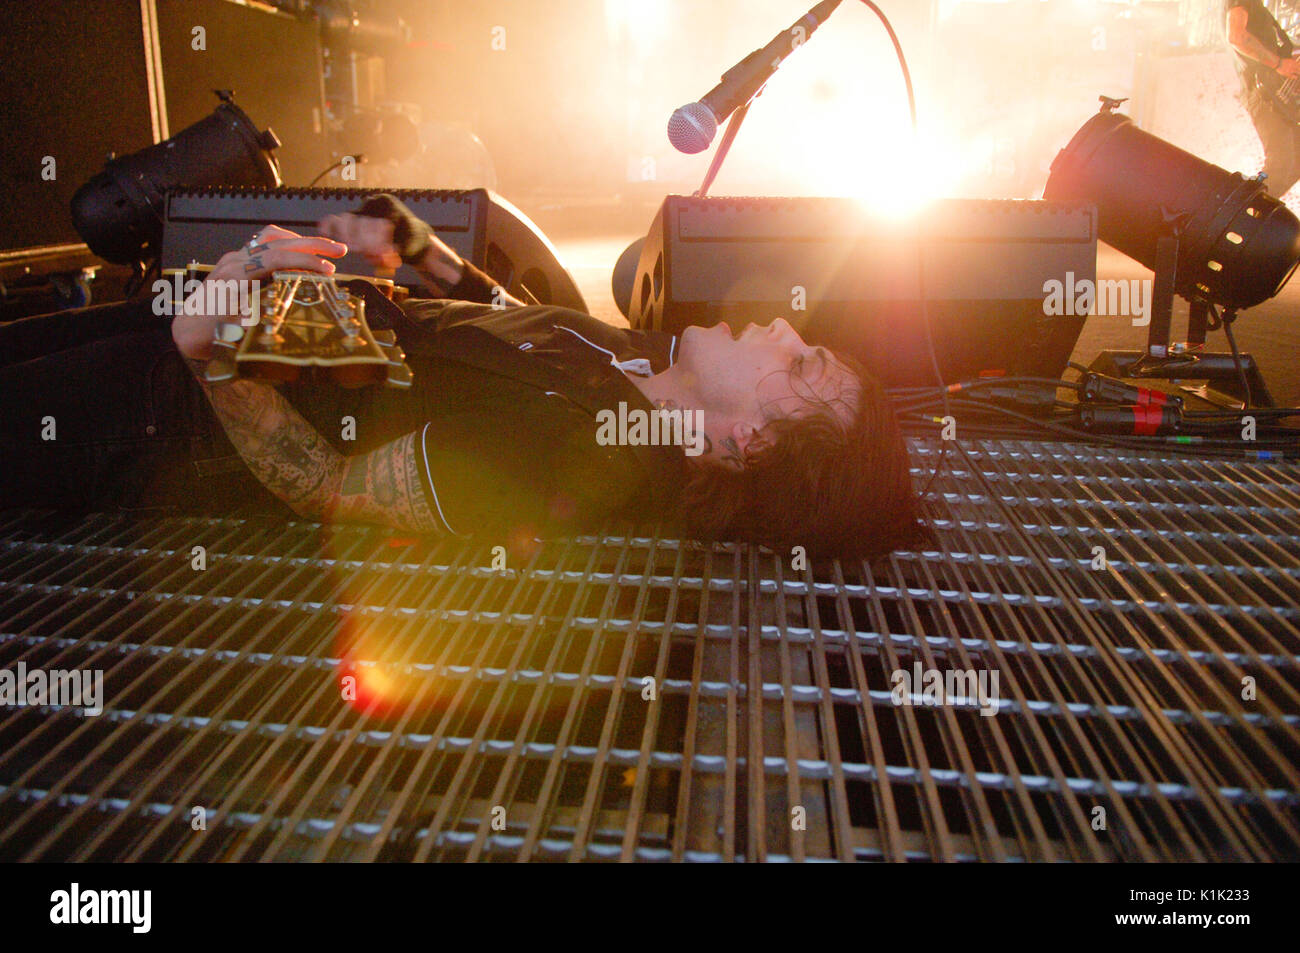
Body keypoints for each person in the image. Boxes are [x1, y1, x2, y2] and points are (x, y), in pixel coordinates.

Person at [0, 196, 921, 561]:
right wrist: (413, 245)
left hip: (161, 416)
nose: (787, 328)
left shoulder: (576, 458)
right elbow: (500, 325)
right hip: (228, 324)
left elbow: (328, 487)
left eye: (800, 365)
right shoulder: (640, 368)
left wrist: (208, 358)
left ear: (751, 441)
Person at [1226, 0, 1300, 197]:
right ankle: (1242, 213)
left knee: (1294, 163)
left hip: (1276, 94)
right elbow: (1236, 37)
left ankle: (1255, 215)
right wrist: (1278, 64)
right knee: (1281, 163)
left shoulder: (1259, 9)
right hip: (1264, 94)